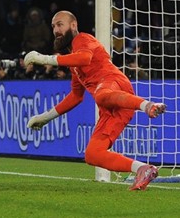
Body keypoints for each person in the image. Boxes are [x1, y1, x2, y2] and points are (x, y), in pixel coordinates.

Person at [23, 10, 165, 191]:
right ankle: (143, 169)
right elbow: (76, 96)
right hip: (114, 106)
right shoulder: (74, 64)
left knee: (101, 95)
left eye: (60, 24)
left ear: (73, 25)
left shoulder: (83, 39)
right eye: (53, 26)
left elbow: (85, 57)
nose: (56, 30)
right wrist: (44, 118)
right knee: (93, 154)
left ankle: (147, 105)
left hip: (114, 84)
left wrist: (45, 59)